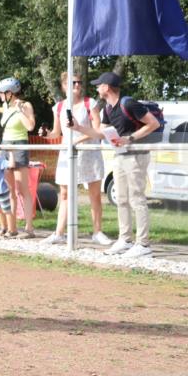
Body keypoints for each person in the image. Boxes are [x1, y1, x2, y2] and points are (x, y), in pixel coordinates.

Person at [71, 72, 160, 258]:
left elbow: (153, 123)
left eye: (98, 84)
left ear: (107, 87)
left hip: (136, 155)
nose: (96, 87)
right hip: (120, 156)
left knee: (137, 198)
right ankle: (125, 240)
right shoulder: (108, 109)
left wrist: (130, 138)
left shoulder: (128, 103)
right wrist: (78, 128)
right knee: (121, 198)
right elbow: (99, 133)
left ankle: (143, 244)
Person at [39, 72, 111, 246]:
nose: (77, 85)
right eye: (73, 83)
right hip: (67, 153)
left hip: (89, 152)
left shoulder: (90, 103)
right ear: (64, 86)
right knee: (64, 194)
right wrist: (46, 134)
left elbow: (96, 129)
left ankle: (97, 232)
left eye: (79, 82)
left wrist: (78, 140)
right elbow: (57, 133)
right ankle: (59, 233)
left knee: (94, 194)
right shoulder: (58, 107)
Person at [0, 77, 37, 238]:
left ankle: (29, 228)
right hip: (6, 145)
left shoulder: (25, 105)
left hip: (20, 145)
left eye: (2, 93)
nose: (0, 95)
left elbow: (30, 126)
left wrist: (20, 110)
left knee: (22, 189)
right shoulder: (5, 106)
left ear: (10, 93)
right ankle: (11, 228)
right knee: (9, 189)